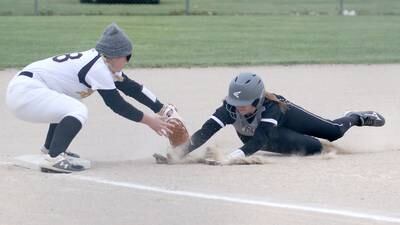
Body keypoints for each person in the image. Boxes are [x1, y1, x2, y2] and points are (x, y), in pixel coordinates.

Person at [6, 23, 175, 173]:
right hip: (25, 92)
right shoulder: (98, 69)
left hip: (27, 90)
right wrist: (150, 121)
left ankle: (51, 148)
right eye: (127, 56)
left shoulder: (103, 63)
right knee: (77, 109)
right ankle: (54, 158)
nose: (127, 61)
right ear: (115, 55)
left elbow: (133, 88)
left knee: (67, 105)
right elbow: (116, 104)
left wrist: (161, 108)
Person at [178, 72, 385, 163]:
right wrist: (179, 153)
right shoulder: (229, 108)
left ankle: (356, 116)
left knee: (334, 132)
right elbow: (205, 132)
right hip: (262, 136)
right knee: (315, 148)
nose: (239, 107)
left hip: (286, 118)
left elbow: (261, 138)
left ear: (259, 98)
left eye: (245, 102)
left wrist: (231, 157)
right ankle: (313, 144)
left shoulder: (273, 107)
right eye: (236, 102)